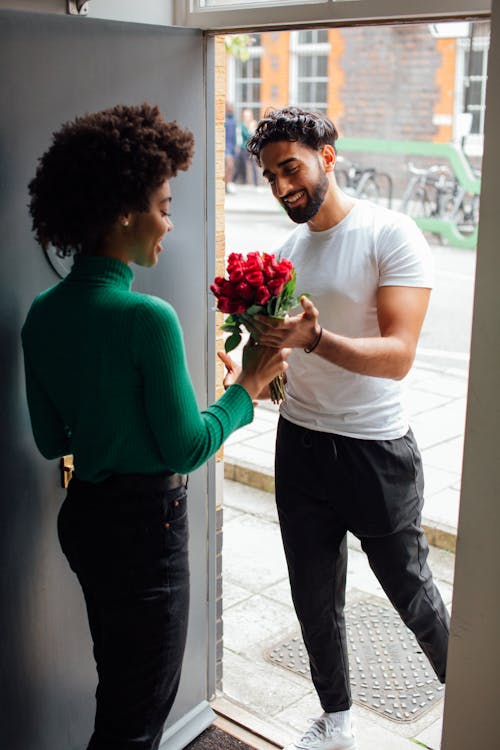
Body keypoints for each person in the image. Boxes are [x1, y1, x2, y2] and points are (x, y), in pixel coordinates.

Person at [21, 103, 289, 750]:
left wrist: (112, 421)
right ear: (122, 212)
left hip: (84, 520)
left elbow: (53, 440)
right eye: (164, 206)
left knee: (120, 690)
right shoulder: (147, 318)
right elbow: (189, 445)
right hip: (145, 531)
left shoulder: (42, 313)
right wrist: (247, 384)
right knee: (136, 720)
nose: (169, 223)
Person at [219, 107, 450, 750]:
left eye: (290, 168)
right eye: (268, 177)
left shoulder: (390, 233)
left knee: (412, 595)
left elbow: (399, 355)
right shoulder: (288, 253)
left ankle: (474, 703)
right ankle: (337, 724)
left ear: (328, 155)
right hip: (300, 445)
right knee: (314, 599)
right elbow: (287, 357)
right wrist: (253, 366)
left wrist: (316, 336)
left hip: (375, 450)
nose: (281, 187)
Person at [232, 107, 259, 186]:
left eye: (249, 116)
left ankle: (256, 183)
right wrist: (251, 130)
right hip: (243, 149)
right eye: (246, 116)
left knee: (254, 165)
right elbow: (247, 136)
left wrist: (252, 130)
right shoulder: (243, 126)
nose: (248, 117)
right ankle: (232, 181)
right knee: (239, 166)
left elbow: (255, 136)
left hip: (251, 149)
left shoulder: (253, 124)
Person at [225, 102, 237, 193]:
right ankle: (225, 184)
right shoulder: (224, 120)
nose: (231, 109)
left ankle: (227, 184)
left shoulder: (233, 120)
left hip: (231, 147)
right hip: (225, 148)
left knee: (231, 167)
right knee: (229, 165)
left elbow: (234, 136)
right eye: (229, 107)